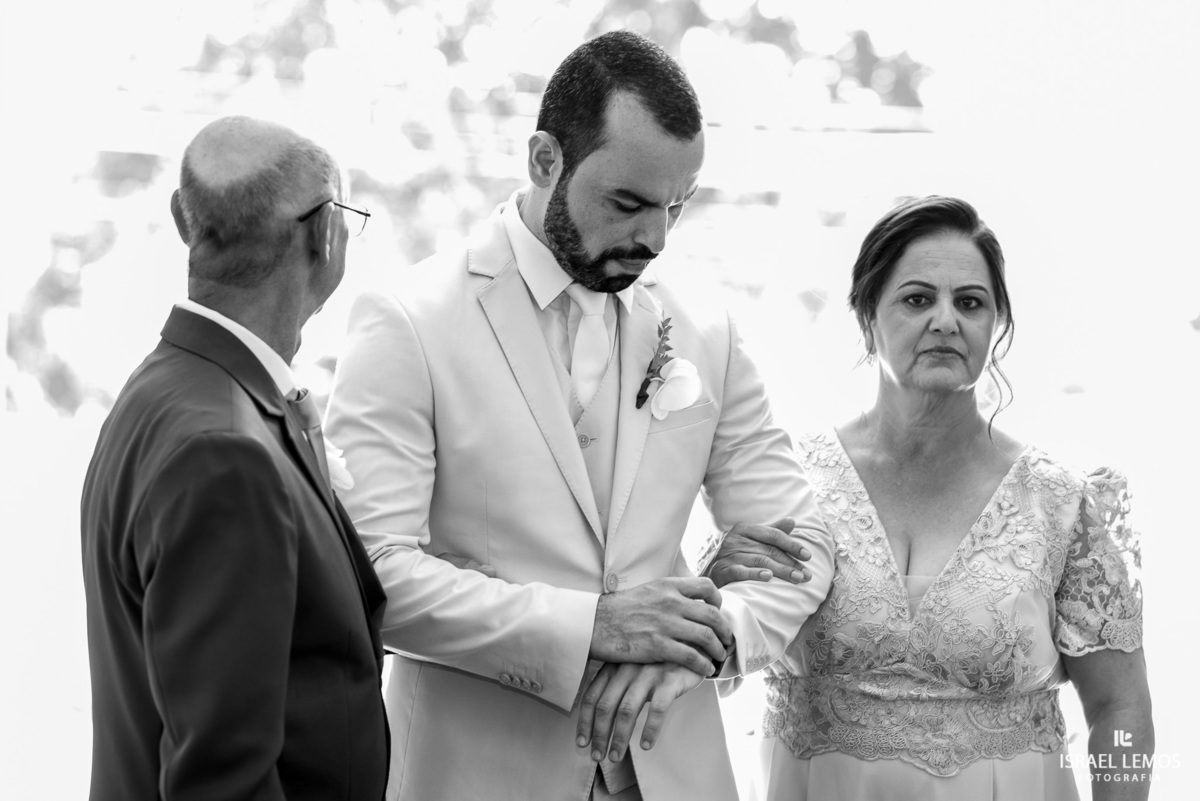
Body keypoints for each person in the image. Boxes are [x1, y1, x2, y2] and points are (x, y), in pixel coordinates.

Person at [324, 30, 833, 801]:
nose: (656, 238)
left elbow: (806, 545)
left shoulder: (706, 329)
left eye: (675, 205)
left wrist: (701, 636)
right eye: (628, 203)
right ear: (544, 161)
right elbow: (375, 576)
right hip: (478, 776)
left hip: (676, 771)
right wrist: (592, 626)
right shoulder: (410, 322)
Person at [707, 195, 1151, 800]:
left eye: (970, 303)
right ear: (867, 316)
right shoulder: (788, 482)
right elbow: (713, 662)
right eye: (918, 299)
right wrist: (711, 590)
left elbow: (1119, 706)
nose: (946, 320)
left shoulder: (1059, 505)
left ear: (996, 325)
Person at [80, 116, 390, 801]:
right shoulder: (226, 453)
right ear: (327, 235)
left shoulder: (160, 388)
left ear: (181, 221)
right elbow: (223, 780)